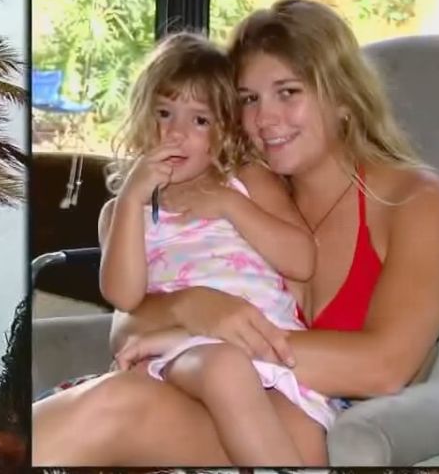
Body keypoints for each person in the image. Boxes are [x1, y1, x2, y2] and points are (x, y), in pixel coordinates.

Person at [31, 0, 439, 466]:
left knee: (112, 406)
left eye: (288, 92)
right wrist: (193, 307)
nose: (264, 119)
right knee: (111, 402)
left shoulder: (415, 198)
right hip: (212, 396)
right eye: (249, 99)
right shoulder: (231, 188)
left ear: (343, 98)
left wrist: (204, 337)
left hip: (326, 424)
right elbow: (127, 330)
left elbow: (384, 367)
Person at [54, 31, 332, 465]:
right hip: (189, 351)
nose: (177, 132)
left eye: (200, 120)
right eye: (164, 113)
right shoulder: (123, 211)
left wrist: (230, 204)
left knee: (309, 444)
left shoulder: (246, 182)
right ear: (143, 118)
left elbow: (302, 260)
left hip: (267, 341)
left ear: (224, 132)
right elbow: (124, 296)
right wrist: (131, 199)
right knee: (225, 368)